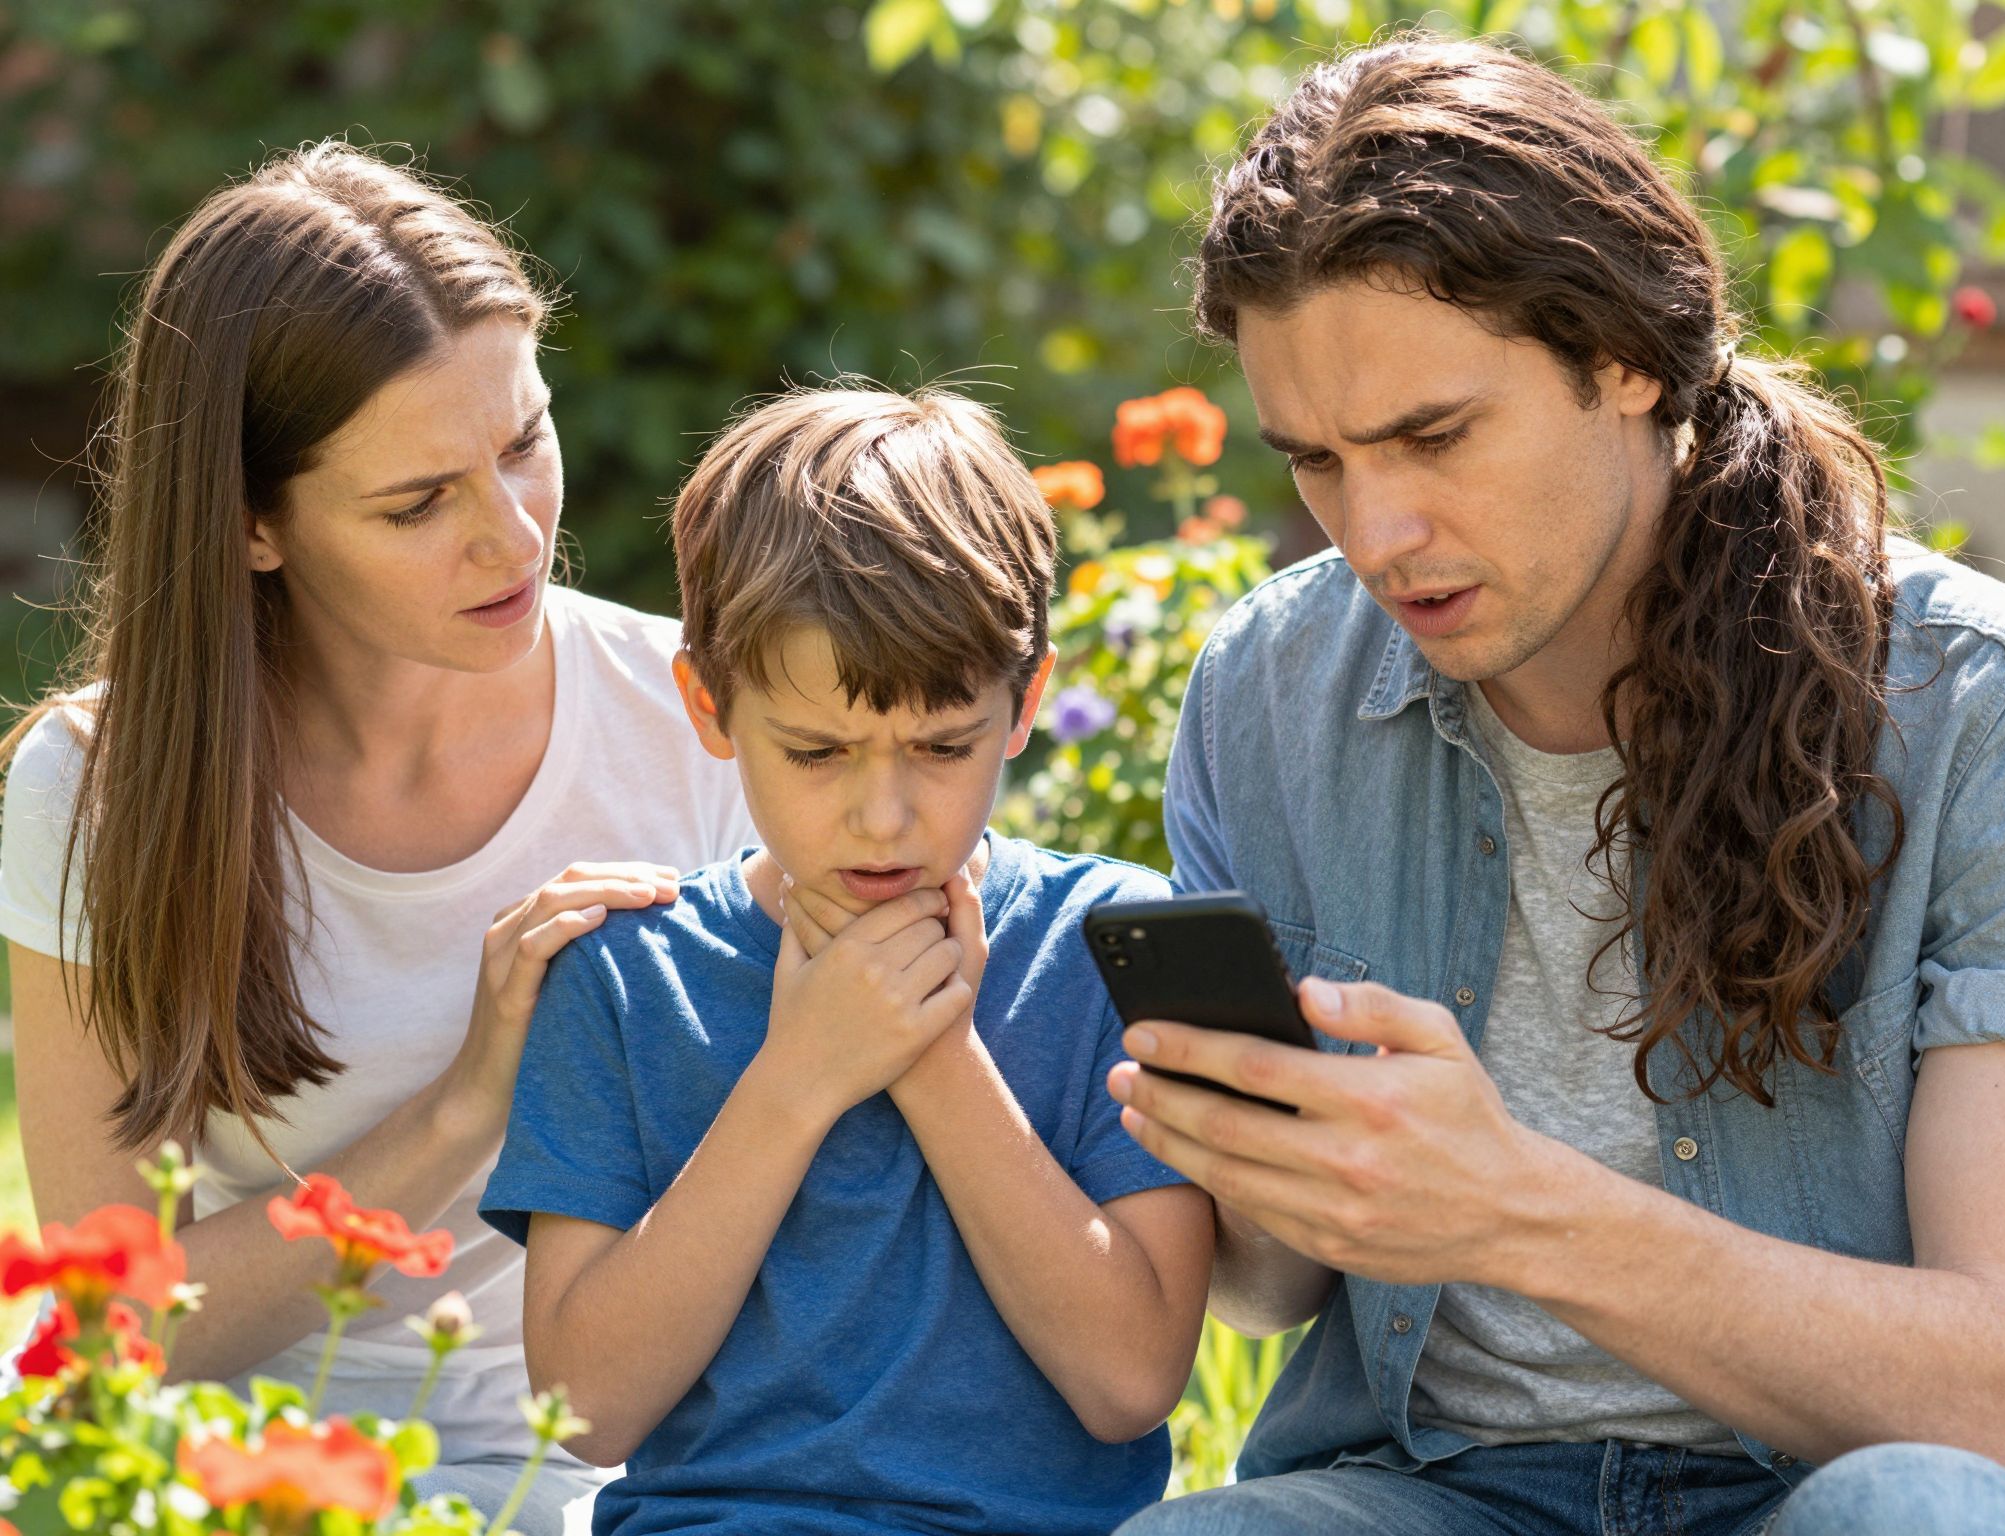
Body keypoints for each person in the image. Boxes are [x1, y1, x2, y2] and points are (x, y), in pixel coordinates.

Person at [1106, 34, 2005, 1536]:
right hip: (1435, 1488)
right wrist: (1241, 1148)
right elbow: (1266, 1290)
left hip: (1825, 1487)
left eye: (1432, 437)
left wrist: (1513, 1214)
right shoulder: (1270, 694)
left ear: (1624, 357)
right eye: (1319, 463)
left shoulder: (1989, 713)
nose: (1376, 532)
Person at [0, 143, 752, 1533]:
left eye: (525, 440)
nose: (513, 535)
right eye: (419, 503)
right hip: (223, 1481)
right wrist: (464, 1107)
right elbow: (108, 1340)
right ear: (252, 528)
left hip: (593, 1488)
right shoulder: (94, 790)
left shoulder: (708, 721)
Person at [477, 385, 1216, 1536]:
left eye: (940, 746)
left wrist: (933, 1057)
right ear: (709, 705)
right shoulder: (625, 975)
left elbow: (1128, 1384)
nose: (883, 817)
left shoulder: (1111, 946)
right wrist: (801, 1075)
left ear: (1024, 704)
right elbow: (583, 1413)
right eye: (816, 752)